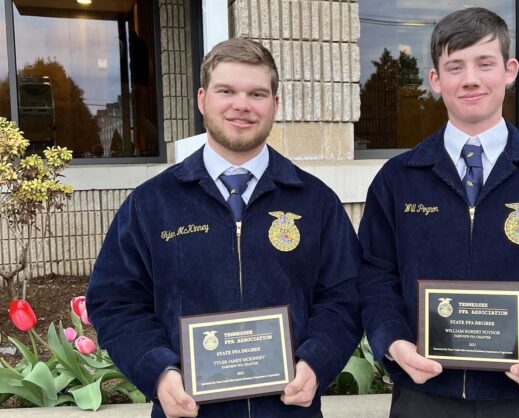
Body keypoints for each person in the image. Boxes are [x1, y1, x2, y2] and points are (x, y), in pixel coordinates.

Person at [358, 8, 519, 418]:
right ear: (435, 80)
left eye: (485, 63)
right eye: (454, 66)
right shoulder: (397, 180)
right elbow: (373, 278)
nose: (470, 79)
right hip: (423, 397)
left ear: (510, 70)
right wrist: (393, 342)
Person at [86, 38, 362, 418]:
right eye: (226, 91)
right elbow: (115, 303)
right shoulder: (151, 204)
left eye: (257, 93)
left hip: (288, 410)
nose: (242, 105)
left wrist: (316, 361)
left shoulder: (315, 202)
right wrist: (158, 372)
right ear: (202, 99)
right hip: (190, 411)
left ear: (275, 104)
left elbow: (344, 297)